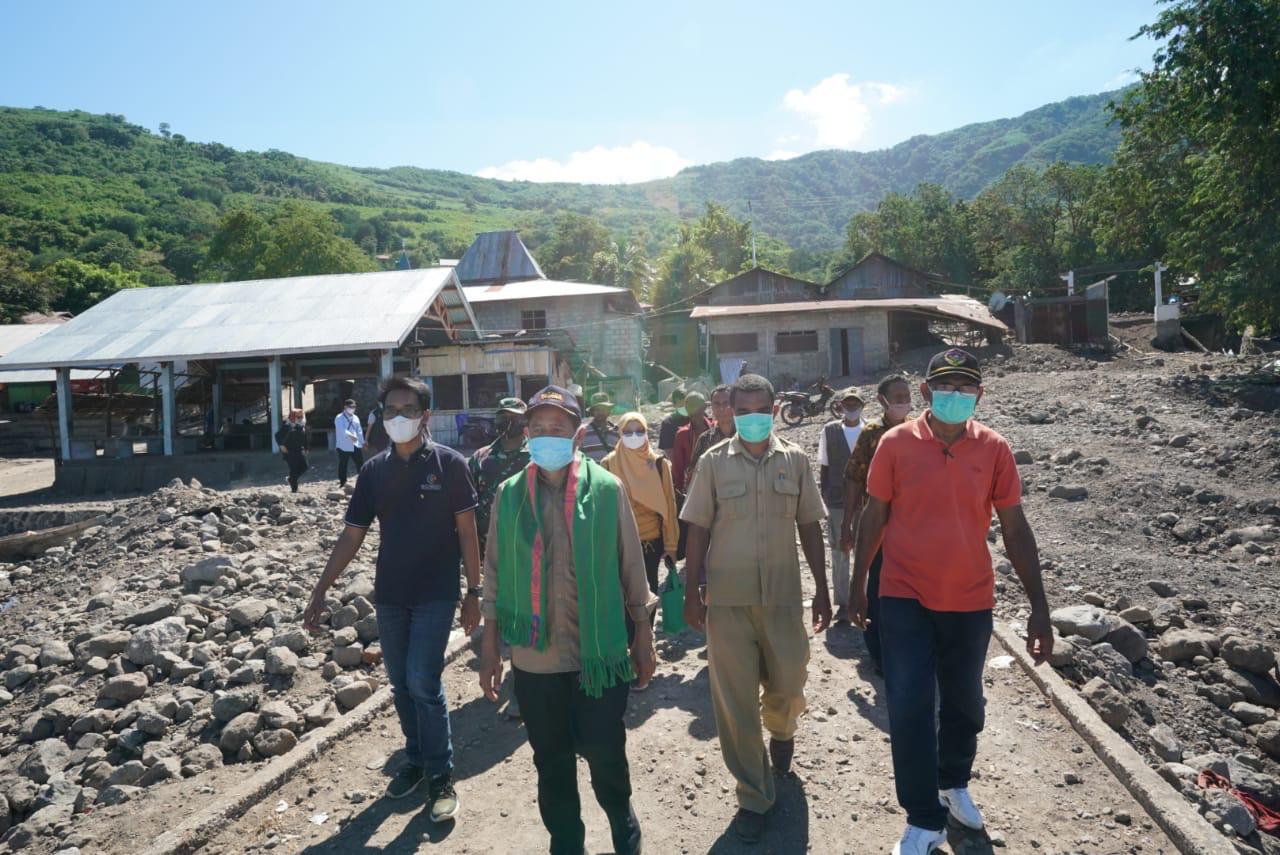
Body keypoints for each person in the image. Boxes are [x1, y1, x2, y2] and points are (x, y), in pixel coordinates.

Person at [847, 349, 1053, 855]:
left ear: (979, 396)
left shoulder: (994, 449)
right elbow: (875, 515)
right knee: (911, 702)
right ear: (926, 393)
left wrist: (1040, 607)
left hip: (969, 596)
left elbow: (1015, 528)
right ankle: (923, 817)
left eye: (966, 389)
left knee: (965, 702)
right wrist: (857, 583)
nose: (956, 397)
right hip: (903, 594)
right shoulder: (895, 444)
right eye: (947, 387)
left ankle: (952, 782)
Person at [477, 386, 655, 855]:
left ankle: (620, 814)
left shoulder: (607, 489)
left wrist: (644, 637)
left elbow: (631, 567)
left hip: (600, 652)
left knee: (604, 749)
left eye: (558, 428)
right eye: (538, 428)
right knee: (551, 760)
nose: (547, 436)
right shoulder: (509, 495)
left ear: (576, 434)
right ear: (527, 432)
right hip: (536, 659)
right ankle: (566, 840)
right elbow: (492, 571)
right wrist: (490, 645)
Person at [302, 376, 482, 824]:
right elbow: (352, 535)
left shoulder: (451, 464)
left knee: (424, 681)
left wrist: (474, 593)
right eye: (390, 410)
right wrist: (321, 587)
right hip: (391, 594)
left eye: (407, 410)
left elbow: (467, 532)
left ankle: (441, 775)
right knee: (401, 684)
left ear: (425, 415)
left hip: (437, 593)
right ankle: (417, 760)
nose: (397, 418)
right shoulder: (373, 471)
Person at [680, 373, 831, 843]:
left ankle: (782, 733)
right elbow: (698, 530)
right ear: (732, 412)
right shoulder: (711, 463)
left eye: (758, 409)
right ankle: (753, 794)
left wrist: (823, 589)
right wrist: (691, 590)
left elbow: (809, 526)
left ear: (773, 408)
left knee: (788, 684)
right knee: (735, 705)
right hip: (727, 602)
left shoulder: (797, 460)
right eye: (740, 410)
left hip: (784, 598)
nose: (749, 418)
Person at [839, 375, 913, 671]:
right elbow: (854, 480)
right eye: (896, 395)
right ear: (882, 400)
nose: (903, 400)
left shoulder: (920, 430)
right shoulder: (871, 434)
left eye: (906, 395)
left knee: (912, 591)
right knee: (879, 590)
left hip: (913, 528)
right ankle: (880, 654)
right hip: (879, 526)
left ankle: (912, 650)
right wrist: (847, 524)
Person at [468, 397, 531, 720]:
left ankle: (521, 688)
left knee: (522, 620)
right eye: (502, 417)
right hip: (487, 552)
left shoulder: (535, 456)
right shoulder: (480, 458)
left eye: (514, 418)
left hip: (525, 552)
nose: (508, 423)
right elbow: (466, 506)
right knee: (497, 617)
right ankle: (500, 667)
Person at [601, 411, 679, 646]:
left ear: (646, 433)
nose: (634, 436)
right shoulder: (608, 463)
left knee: (648, 591)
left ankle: (644, 642)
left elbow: (669, 505)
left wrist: (671, 545)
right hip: (619, 541)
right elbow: (604, 507)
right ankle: (628, 642)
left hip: (650, 541)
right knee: (622, 593)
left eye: (639, 431)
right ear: (619, 433)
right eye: (628, 432)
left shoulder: (658, 463)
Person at [817, 388, 865, 624]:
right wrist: (825, 494)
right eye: (848, 403)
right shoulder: (830, 431)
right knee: (839, 551)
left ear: (863, 405)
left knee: (865, 551)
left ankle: (863, 597)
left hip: (866, 501)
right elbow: (824, 467)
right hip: (837, 501)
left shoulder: (871, 430)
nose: (852, 407)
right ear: (840, 405)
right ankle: (843, 603)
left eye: (855, 403)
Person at [686, 384, 734, 491]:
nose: (722, 408)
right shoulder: (705, 440)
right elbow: (694, 475)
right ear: (711, 407)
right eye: (717, 404)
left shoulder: (745, 436)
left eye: (726, 403)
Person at [669, 390, 711, 494]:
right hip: (693, 487)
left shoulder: (716, 429)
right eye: (690, 410)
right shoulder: (682, 434)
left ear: (704, 407)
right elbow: (678, 469)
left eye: (696, 409)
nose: (693, 414)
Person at [579, 391, 620, 463]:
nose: (601, 412)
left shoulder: (617, 432)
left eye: (604, 409)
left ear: (609, 411)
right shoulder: (583, 432)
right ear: (592, 412)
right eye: (598, 409)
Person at [334, 399, 365, 487]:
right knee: (343, 464)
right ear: (345, 407)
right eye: (350, 407)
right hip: (343, 445)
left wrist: (362, 442)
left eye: (354, 407)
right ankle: (342, 482)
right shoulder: (339, 417)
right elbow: (341, 430)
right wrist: (351, 436)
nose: (352, 408)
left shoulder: (356, 417)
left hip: (355, 444)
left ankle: (363, 480)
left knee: (360, 463)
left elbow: (359, 430)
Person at [278, 409, 308, 493]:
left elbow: (304, 438)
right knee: (293, 469)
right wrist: (281, 446)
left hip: (299, 450)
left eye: (301, 416)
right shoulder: (287, 426)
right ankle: (294, 489)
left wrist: (306, 448)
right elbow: (278, 436)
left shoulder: (301, 426)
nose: (300, 418)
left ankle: (291, 479)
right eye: (298, 416)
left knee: (304, 466)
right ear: (293, 417)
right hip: (289, 451)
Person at [656, 387, 689, 454]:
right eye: (680, 404)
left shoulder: (695, 418)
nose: (684, 406)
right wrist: (677, 463)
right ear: (674, 405)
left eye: (686, 403)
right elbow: (668, 450)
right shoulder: (668, 423)